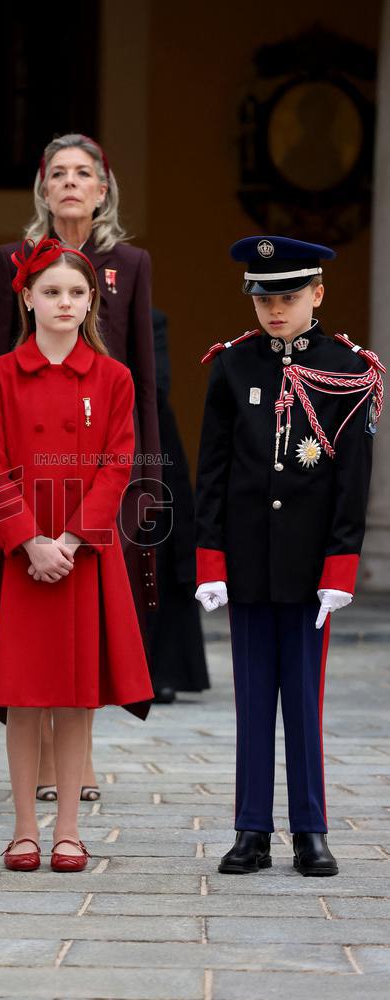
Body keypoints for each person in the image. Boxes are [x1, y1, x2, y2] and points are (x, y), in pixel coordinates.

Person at [0, 238, 154, 871]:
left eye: (76, 292)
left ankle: (68, 830)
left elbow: (118, 465)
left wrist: (68, 540)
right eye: (51, 292)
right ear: (27, 299)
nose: (64, 302)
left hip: (84, 554)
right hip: (19, 554)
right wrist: (30, 540)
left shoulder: (113, 377)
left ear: (92, 300)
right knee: (24, 695)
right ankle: (23, 829)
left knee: (75, 696)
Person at [195, 236, 384, 877]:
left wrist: (340, 569)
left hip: (308, 572)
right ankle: (251, 829)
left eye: (289, 296)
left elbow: (351, 481)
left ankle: (310, 830)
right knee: (252, 702)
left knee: (303, 700)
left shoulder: (348, 369)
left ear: (318, 295)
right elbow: (213, 474)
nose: (275, 309)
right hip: (247, 564)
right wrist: (211, 561)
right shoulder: (233, 366)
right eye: (264, 297)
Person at [0, 133, 161, 801]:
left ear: (102, 186)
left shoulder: (131, 262)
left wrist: (145, 474)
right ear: (43, 187)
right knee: (33, 619)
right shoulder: (11, 259)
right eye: (57, 173)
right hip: (27, 462)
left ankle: (78, 759)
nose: (70, 183)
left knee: (90, 616)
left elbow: (141, 375)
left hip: (102, 463)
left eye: (83, 173)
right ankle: (50, 764)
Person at [148, 308, 209, 702]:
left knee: (158, 546)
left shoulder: (149, 319)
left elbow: (158, 383)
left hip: (146, 435)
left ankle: (161, 667)